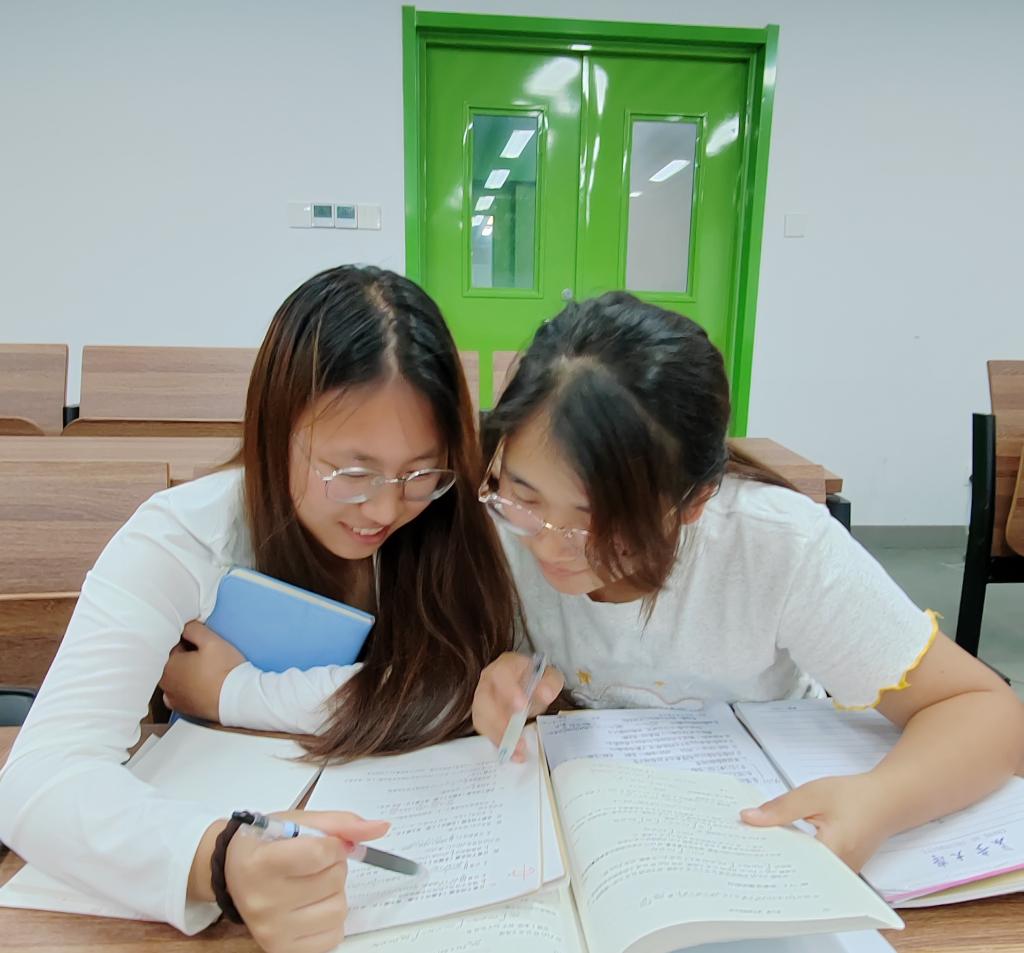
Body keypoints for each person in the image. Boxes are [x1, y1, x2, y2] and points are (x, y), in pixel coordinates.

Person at [0, 265, 518, 953]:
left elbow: (455, 684)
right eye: (352, 472)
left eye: (421, 471)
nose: (387, 507)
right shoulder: (182, 537)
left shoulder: (444, 523)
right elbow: (40, 777)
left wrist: (233, 692)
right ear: (277, 429)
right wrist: (219, 859)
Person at [470, 292, 1024, 872]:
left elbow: (985, 711)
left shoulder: (776, 546)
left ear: (695, 501)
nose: (549, 545)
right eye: (524, 498)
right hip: (591, 821)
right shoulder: (496, 525)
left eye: (599, 524)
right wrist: (500, 681)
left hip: (763, 825)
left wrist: (881, 801)